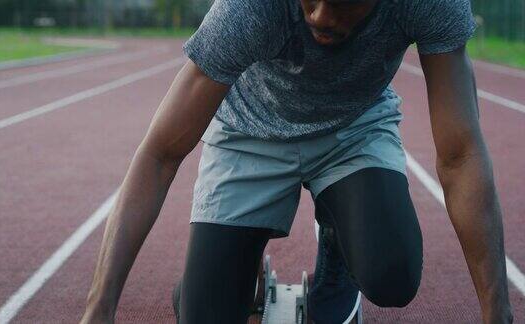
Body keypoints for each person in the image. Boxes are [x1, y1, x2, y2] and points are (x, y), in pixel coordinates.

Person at [80, 0, 514, 323]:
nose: (323, 16)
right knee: (203, 313)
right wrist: (99, 307)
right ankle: (240, 268)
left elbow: (460, 155)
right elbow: (159, 154)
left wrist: (499, 315)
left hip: (353, 127)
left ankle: (337, 250)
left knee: (393, 274)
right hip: (249, 130)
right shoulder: (248, 10)